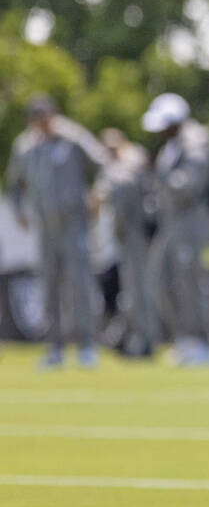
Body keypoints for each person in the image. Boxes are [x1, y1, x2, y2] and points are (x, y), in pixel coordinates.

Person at [6, 97, 108, 368]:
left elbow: (103, 167)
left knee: (79, 283)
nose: (41, 122)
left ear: (53, 114)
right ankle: (55, 348)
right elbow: (14, 182)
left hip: (74, 223)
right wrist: (18, 210)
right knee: (49, 286)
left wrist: (99, 193)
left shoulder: (73, 138)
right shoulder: (25, 145)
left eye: (44, 116)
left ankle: (86, 345)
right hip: (44, 226)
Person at [142, 92, 209, 367]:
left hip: (190, 225)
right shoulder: (172, 146)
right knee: (161, 280)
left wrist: (157, 178)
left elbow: (188, 185)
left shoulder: (194, 144)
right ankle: (186, 338)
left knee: (191, 284)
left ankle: (204, 342)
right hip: (171, 224)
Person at [94, 128, 156, 357]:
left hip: (138, 236)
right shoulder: (112, 168)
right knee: (129, 292)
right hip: (122, 241)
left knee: (140, 291)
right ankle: (134, 338)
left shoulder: (132, 162)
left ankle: (145, 341)